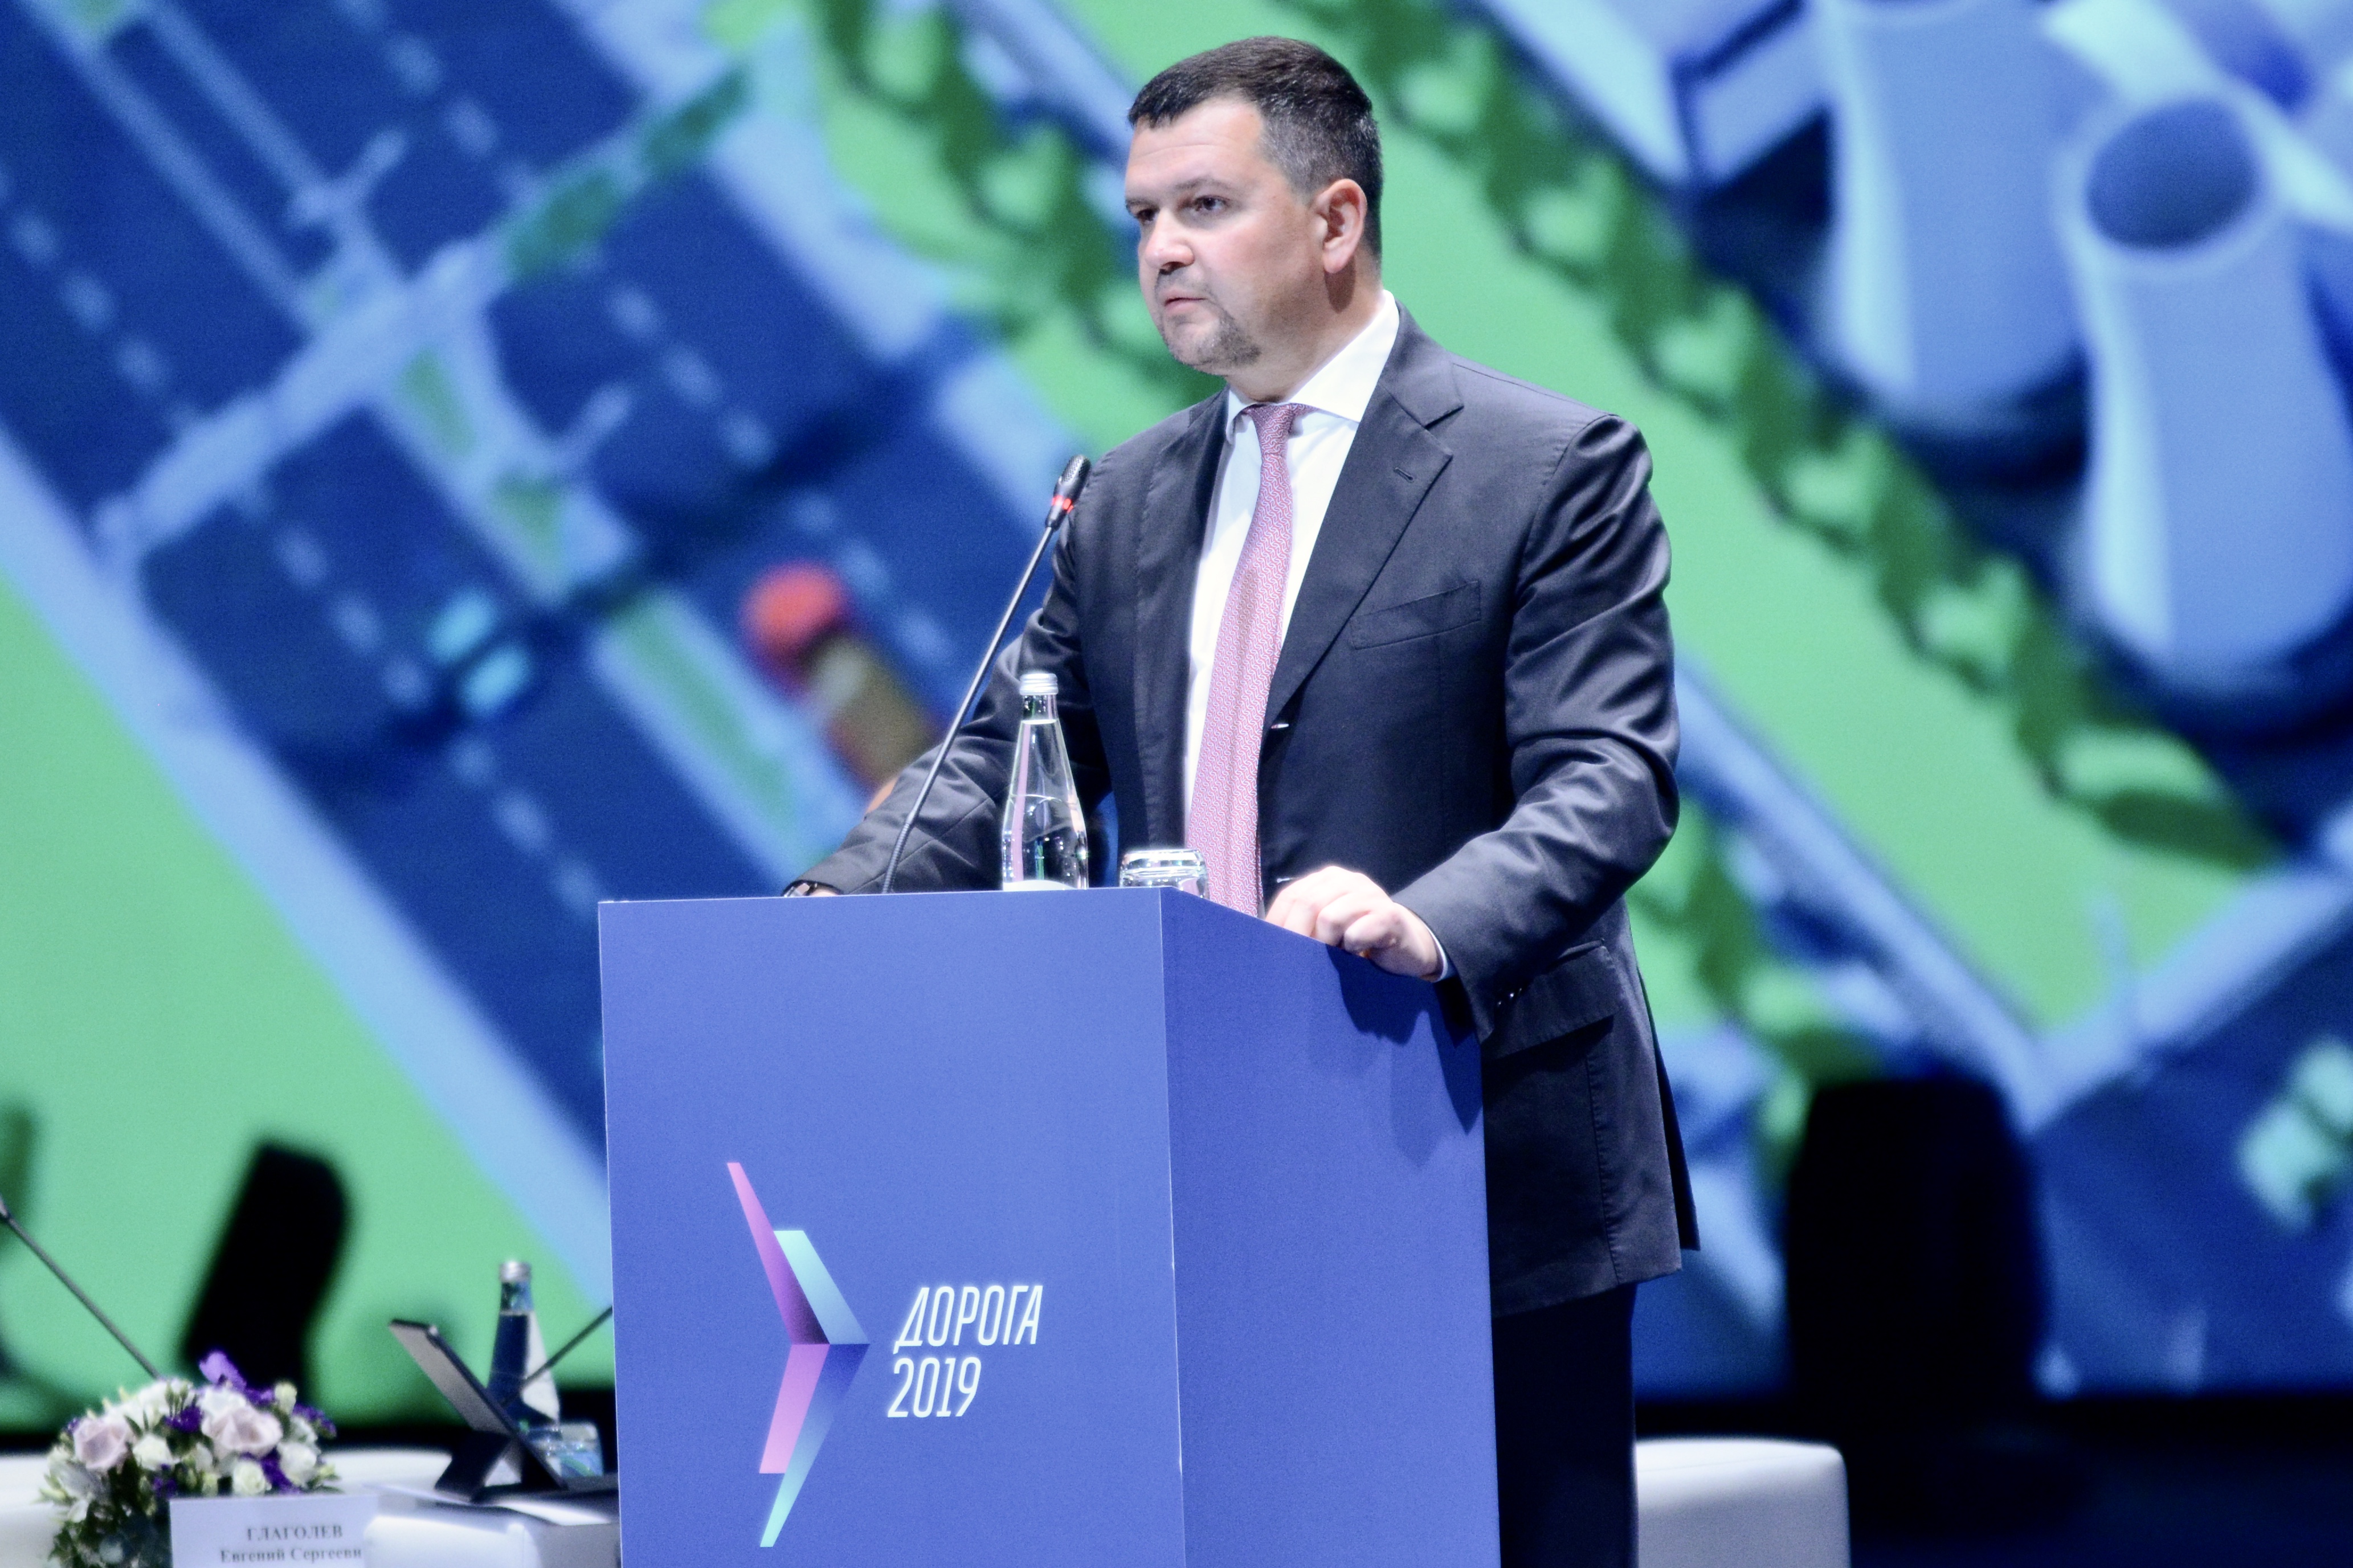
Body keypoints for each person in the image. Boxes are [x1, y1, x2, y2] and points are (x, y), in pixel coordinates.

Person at [788, 35, 1695, 1568]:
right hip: (1196, 1163)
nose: (1159, 250)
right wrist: (832, 902)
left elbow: (1607, 776)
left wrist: (1424, 920)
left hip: (1472, 1159)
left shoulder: (1546, 467)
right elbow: (1002, 760)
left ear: (1335, 220)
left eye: (1202, 207)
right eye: (1143, 216)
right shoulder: (1119, 500)